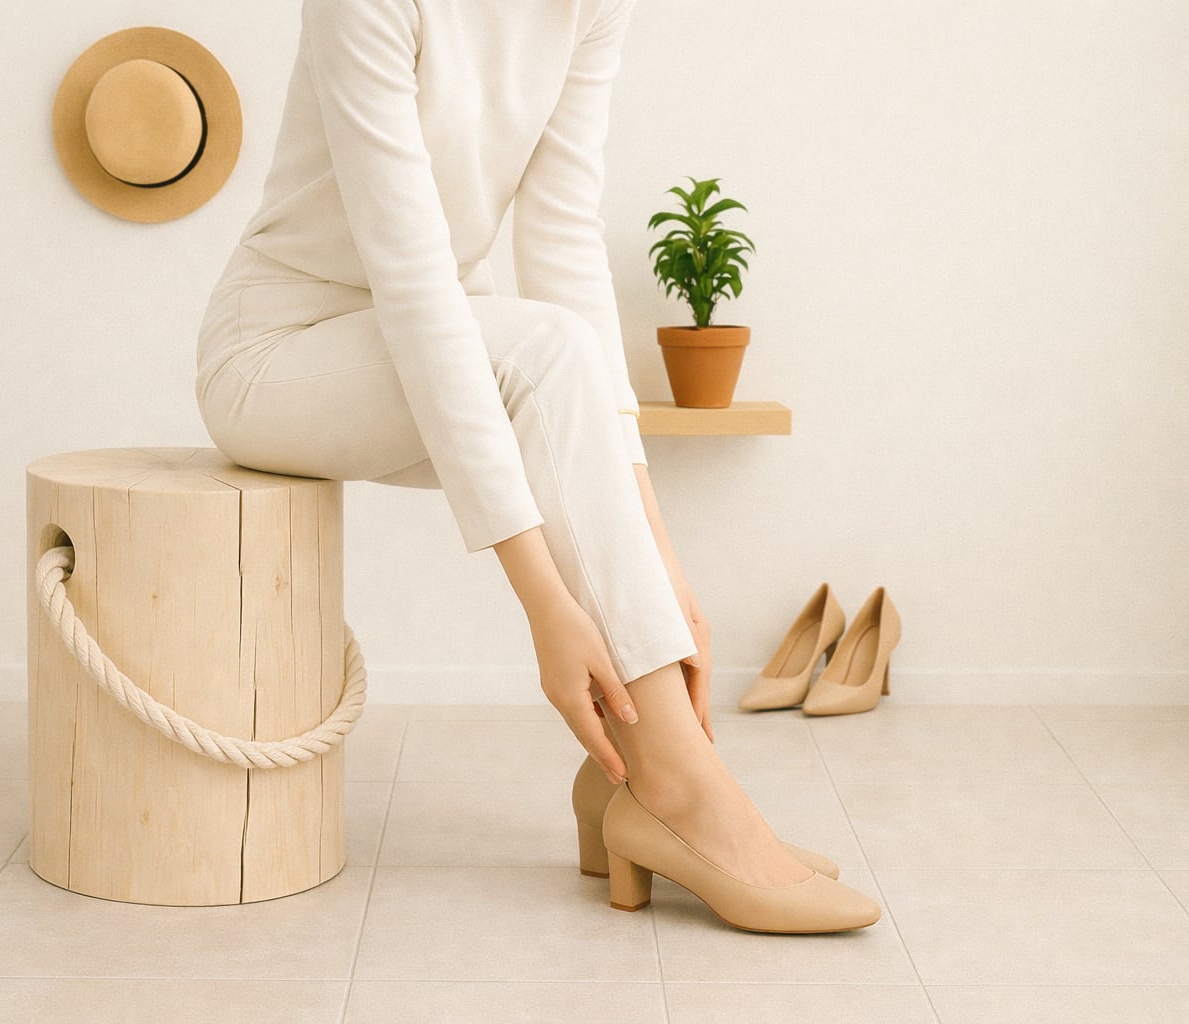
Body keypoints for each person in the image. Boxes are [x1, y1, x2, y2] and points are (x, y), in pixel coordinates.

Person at [196, 0, 880, 930]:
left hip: (446, 344)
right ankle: (683, 791)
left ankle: (643, 779)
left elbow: (563, 241)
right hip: (278, 356)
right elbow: (415, 281)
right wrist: (543, 605)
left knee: (562, 344)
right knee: (545, 351)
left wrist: (660, 565)